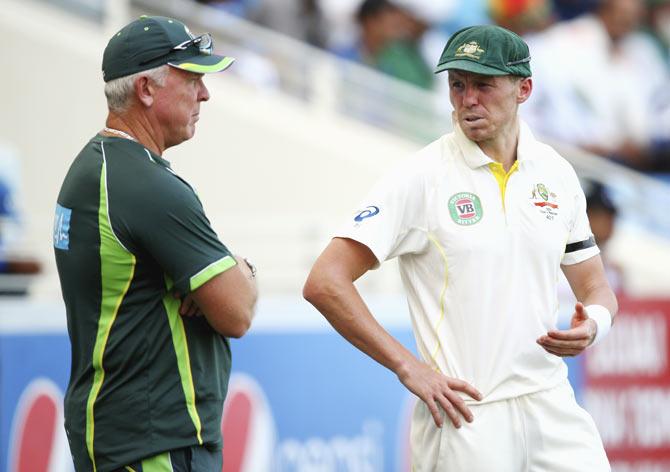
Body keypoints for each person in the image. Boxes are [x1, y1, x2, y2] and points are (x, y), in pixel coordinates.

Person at [304, 25, 618, 470]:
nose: (468, 99)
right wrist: (407, 367)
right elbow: (324, 281)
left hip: (551, 402)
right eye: (457, 85)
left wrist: (595, 326)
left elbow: (596, 288)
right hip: (467, 414)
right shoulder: (420, 177)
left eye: (484, 84)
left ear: (523, 89)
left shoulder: (557, 173)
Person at [53, 15, 258, 472]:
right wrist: (242, 267)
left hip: (123, 436)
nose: (204, 93)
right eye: (192, 78)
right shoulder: (146, 186)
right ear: (146, 89)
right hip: (156, 446)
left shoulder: (95, 165)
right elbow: (238, 312)